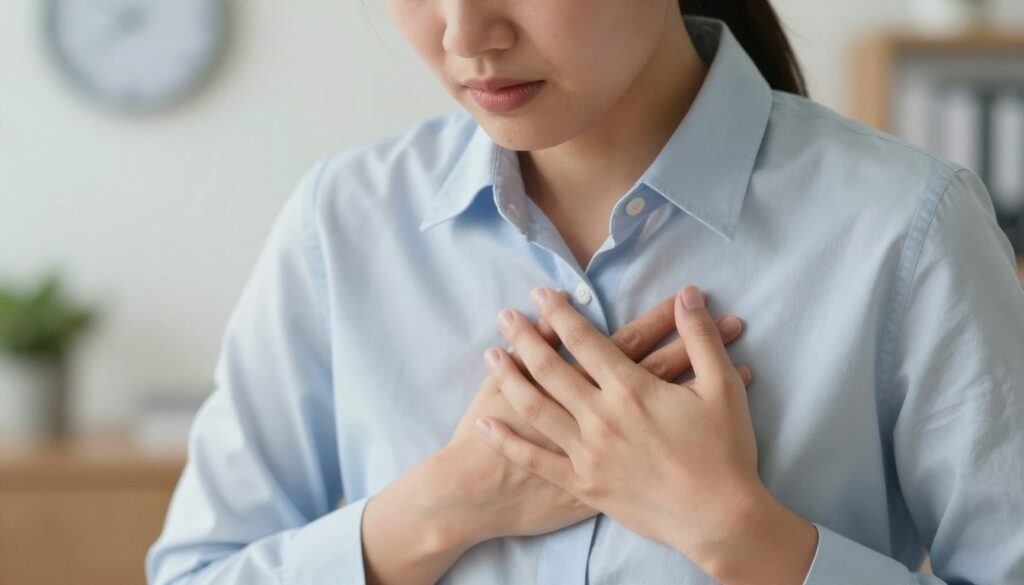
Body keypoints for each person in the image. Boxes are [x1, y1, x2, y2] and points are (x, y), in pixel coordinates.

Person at [146, 1, 1024, 584]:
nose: (464, 33)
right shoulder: (341, 224)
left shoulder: (908, 230)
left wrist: (741, 536)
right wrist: (440, 507)